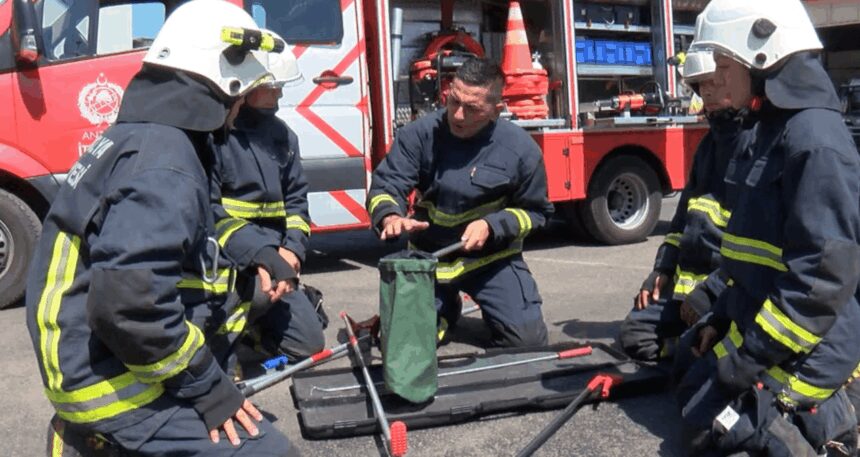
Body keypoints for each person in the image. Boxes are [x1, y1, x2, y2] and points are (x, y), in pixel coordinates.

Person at [26, 1, 299, 455]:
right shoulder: (167, 160)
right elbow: (130, 306)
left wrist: (258, 254)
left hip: (91, 355)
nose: (241, 110)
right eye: (243, 93)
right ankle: (96, 439)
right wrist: (209, 390)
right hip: (105, 380)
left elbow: (196, 225)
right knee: (270, 451)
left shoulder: (146, 136)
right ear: (224, 81)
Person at [676, 0, 860, 454]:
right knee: (691, 397)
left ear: (764, 58)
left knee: (722, 434)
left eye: (722, 63)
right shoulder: (762, 134)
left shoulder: (813, 141)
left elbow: (819, 283)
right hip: (762, 317)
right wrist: (720, 316)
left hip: (814, 337)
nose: (713, 79)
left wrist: (751, 358)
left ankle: (840, 412)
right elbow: (751, 256)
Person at [366, 58, 554, 348]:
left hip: (491, 261)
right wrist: (390, 216)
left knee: (527, 342)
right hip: (430, 260)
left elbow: (536, 212)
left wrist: (492, 226)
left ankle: (465, 306)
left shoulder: (520, 150)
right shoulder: (419, 134)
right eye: (453, 101)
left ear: (496, 110)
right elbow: (386, 185)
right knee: (407, 345)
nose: (458, 115)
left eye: (472, 108)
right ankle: (444, 308)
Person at [618, 49, 752, 363]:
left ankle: (689, 353)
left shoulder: (757, 146)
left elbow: (756, 250)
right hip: (686, 294)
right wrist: (661, 269)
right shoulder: (708, 147)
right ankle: (684, 351)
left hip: (728, 295)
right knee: (632, 336)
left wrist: (712, 293)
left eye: (713, 82)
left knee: (709, 353)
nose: (706, 92)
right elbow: (680, 224)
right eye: (699, 86)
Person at [209, 33, 326, 376]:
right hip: (229, 262)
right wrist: (259, 256)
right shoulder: (217, 137)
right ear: (244, 88)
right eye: (272, 86)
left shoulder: (283, 136)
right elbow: (209, 213)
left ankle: (253, 332)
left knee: (309, 346)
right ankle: (222, 344)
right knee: (254, 301)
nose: (279, 93)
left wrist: (292, 251)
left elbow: (297, 203)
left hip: (276, 259)